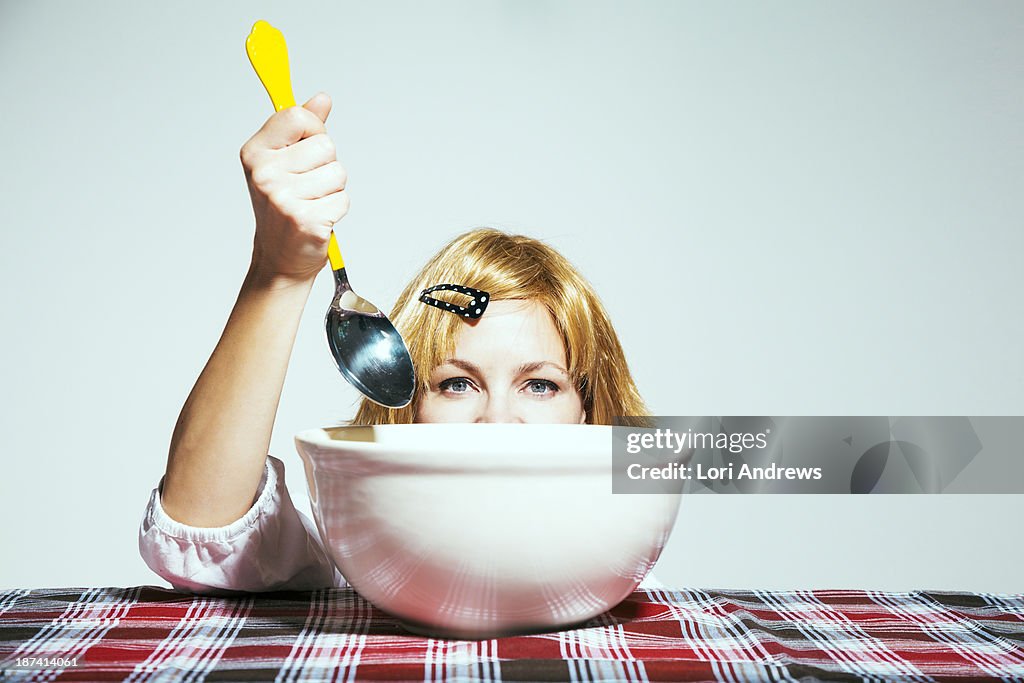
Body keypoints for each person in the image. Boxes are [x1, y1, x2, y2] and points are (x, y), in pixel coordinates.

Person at [138, 93, 660, 593]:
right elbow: (198, 527)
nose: (498, 423)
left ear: (590, 417)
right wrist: (279, 274)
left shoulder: (622, 573)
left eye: (541, 386)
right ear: (405, 413)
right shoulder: (354, 551)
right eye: (456, 383)